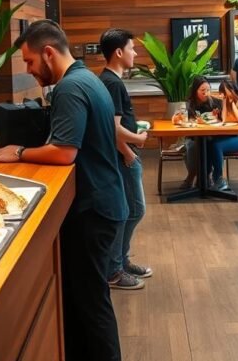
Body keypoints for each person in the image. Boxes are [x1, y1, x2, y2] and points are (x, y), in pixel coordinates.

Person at [0, 20, 126, 361]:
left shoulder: (69, 87)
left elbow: (64, 151)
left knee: (91, 304)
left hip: (94, 208)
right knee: (83, 300)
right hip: (104, 201)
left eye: (30, 62)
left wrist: (17, 152)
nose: (30, 71)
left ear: (48, 53)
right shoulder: (87, 78)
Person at [98, 28, 152, 290]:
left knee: (129, 210)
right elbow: (113, 127)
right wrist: (134, 145)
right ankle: (115, 270)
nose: (135, 52)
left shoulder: (109, 80)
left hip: (124, 155)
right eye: (132, 48)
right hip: (124, 157)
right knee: (133, 210)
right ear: (118, 52)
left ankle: (120, 260)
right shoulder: (113, 83)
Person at [204, 79, 238, 191]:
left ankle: (219, 179)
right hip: (233, 135)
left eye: (225, 92)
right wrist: (225, 102)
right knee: (209, 141)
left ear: (232, 89)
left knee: (217, 145)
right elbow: (225, 120)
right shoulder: (227, 100)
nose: (223, 95)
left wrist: (232, 104)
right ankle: (205, 177)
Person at [180, 76, 222, 189]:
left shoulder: (216, 103)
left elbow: (224, 121)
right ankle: (193, 175)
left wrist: (218, 117)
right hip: (193, 137)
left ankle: (206, 175)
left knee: (209, 145)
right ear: (195, 91)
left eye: (208, 90)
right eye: (202, 90)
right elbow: (184, 120)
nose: (206, 93)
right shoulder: (189, 104)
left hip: (211, 137)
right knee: (193, 147)